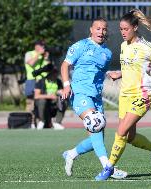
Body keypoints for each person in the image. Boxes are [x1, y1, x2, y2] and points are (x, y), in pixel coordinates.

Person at [95, 9, 151, 181]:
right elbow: (133, 68)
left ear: (135, 27)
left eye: (126, 29)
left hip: (142, 95)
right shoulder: (123, 46)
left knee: (120, 132)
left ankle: (108, 169)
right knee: (129, 137)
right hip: (125, 95)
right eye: (121, 29)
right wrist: (119, 74)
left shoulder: (146, 48)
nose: (123, 32)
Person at [60, 17, 127, 179]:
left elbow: (97, 72)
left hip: (96, 97)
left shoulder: (107, 53)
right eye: (98, 28)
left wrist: (110, 74)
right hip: (80, 93)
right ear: (91, 29)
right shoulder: (81, 46)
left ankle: (71, 153)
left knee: (97, 138)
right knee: (96, 124)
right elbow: (65, 65)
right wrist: (66, 85)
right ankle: (108, 168)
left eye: (104, 29)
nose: (101, 32)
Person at [24, 40, 50, 128]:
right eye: (41, 46)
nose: (43, 48)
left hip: (41, 81)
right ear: (36, 46)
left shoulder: (44, 55)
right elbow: (31, 63)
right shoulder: (29, 53)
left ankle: (40, 122)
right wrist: (38, 54)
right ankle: (30, 122)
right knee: (30, 102)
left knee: (40, 102)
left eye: (43, 46)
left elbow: (48, 68)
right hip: (31, 80)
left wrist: (46, 58)